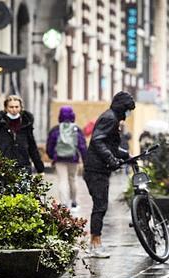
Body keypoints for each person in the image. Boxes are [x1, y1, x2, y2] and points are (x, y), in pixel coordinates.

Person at [83, 91, 135, 258]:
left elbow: (109, 145)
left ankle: (96, 242)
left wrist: (125, 155)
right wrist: (112, 160)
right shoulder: (110, 118)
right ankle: (95, 244)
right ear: (123, 108)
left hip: (99, 169)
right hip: (96, 169)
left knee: (101, 205)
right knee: (100, 206)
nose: (129, 114)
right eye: (128, 109)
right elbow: (97, 140)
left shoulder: (112, 117)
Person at [0, 95, 45, 176]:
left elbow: (32, 147)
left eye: (16, 107)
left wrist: (40, 168)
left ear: (21, 108)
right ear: (6, 108)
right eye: (11, 107)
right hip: (2, 167)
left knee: (22, 188)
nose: (14, 109)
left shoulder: (26, 124)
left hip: (23, 166)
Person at [46, 106, 87, 210]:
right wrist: (84, 158)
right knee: (73, 179)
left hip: (59, 159)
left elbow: (50, 145)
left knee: (62, 181)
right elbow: (82, 145)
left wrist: (52, 156)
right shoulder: (76, 129)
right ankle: (74, 203)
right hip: (73, 159)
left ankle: (64, 204)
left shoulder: (55, 130)